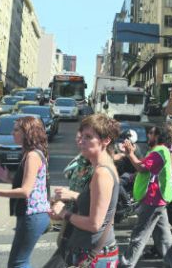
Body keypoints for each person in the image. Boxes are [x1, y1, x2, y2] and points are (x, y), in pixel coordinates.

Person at [50, 114, 121, 266]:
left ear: (106, 140)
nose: (81, 141)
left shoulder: (102, 173)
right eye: (81, 136)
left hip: (95, 256)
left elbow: (94, 224)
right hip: (91, 252)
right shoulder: (101, 168)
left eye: (88, 137)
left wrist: (64, 213)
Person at [0, 116, 51, 268]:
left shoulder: (33, 155)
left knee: (18, 262)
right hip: (34, 215)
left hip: (32, 215)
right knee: (19, 261)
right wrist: (8, 178)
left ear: (27, 132)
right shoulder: (32, 153)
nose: (12, 133)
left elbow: (26, 191)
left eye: (16, 130)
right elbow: (33, 186)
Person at [119, 124, 172, 268]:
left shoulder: (159, 152)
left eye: (151, 133)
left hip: (153, 200)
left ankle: (127, 264)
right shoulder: (159, 150)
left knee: (139, 236)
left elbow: (142, 167)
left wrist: (130, 154)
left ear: (158, 136)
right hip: (158, 199)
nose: (148, 135)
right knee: (164, 236)